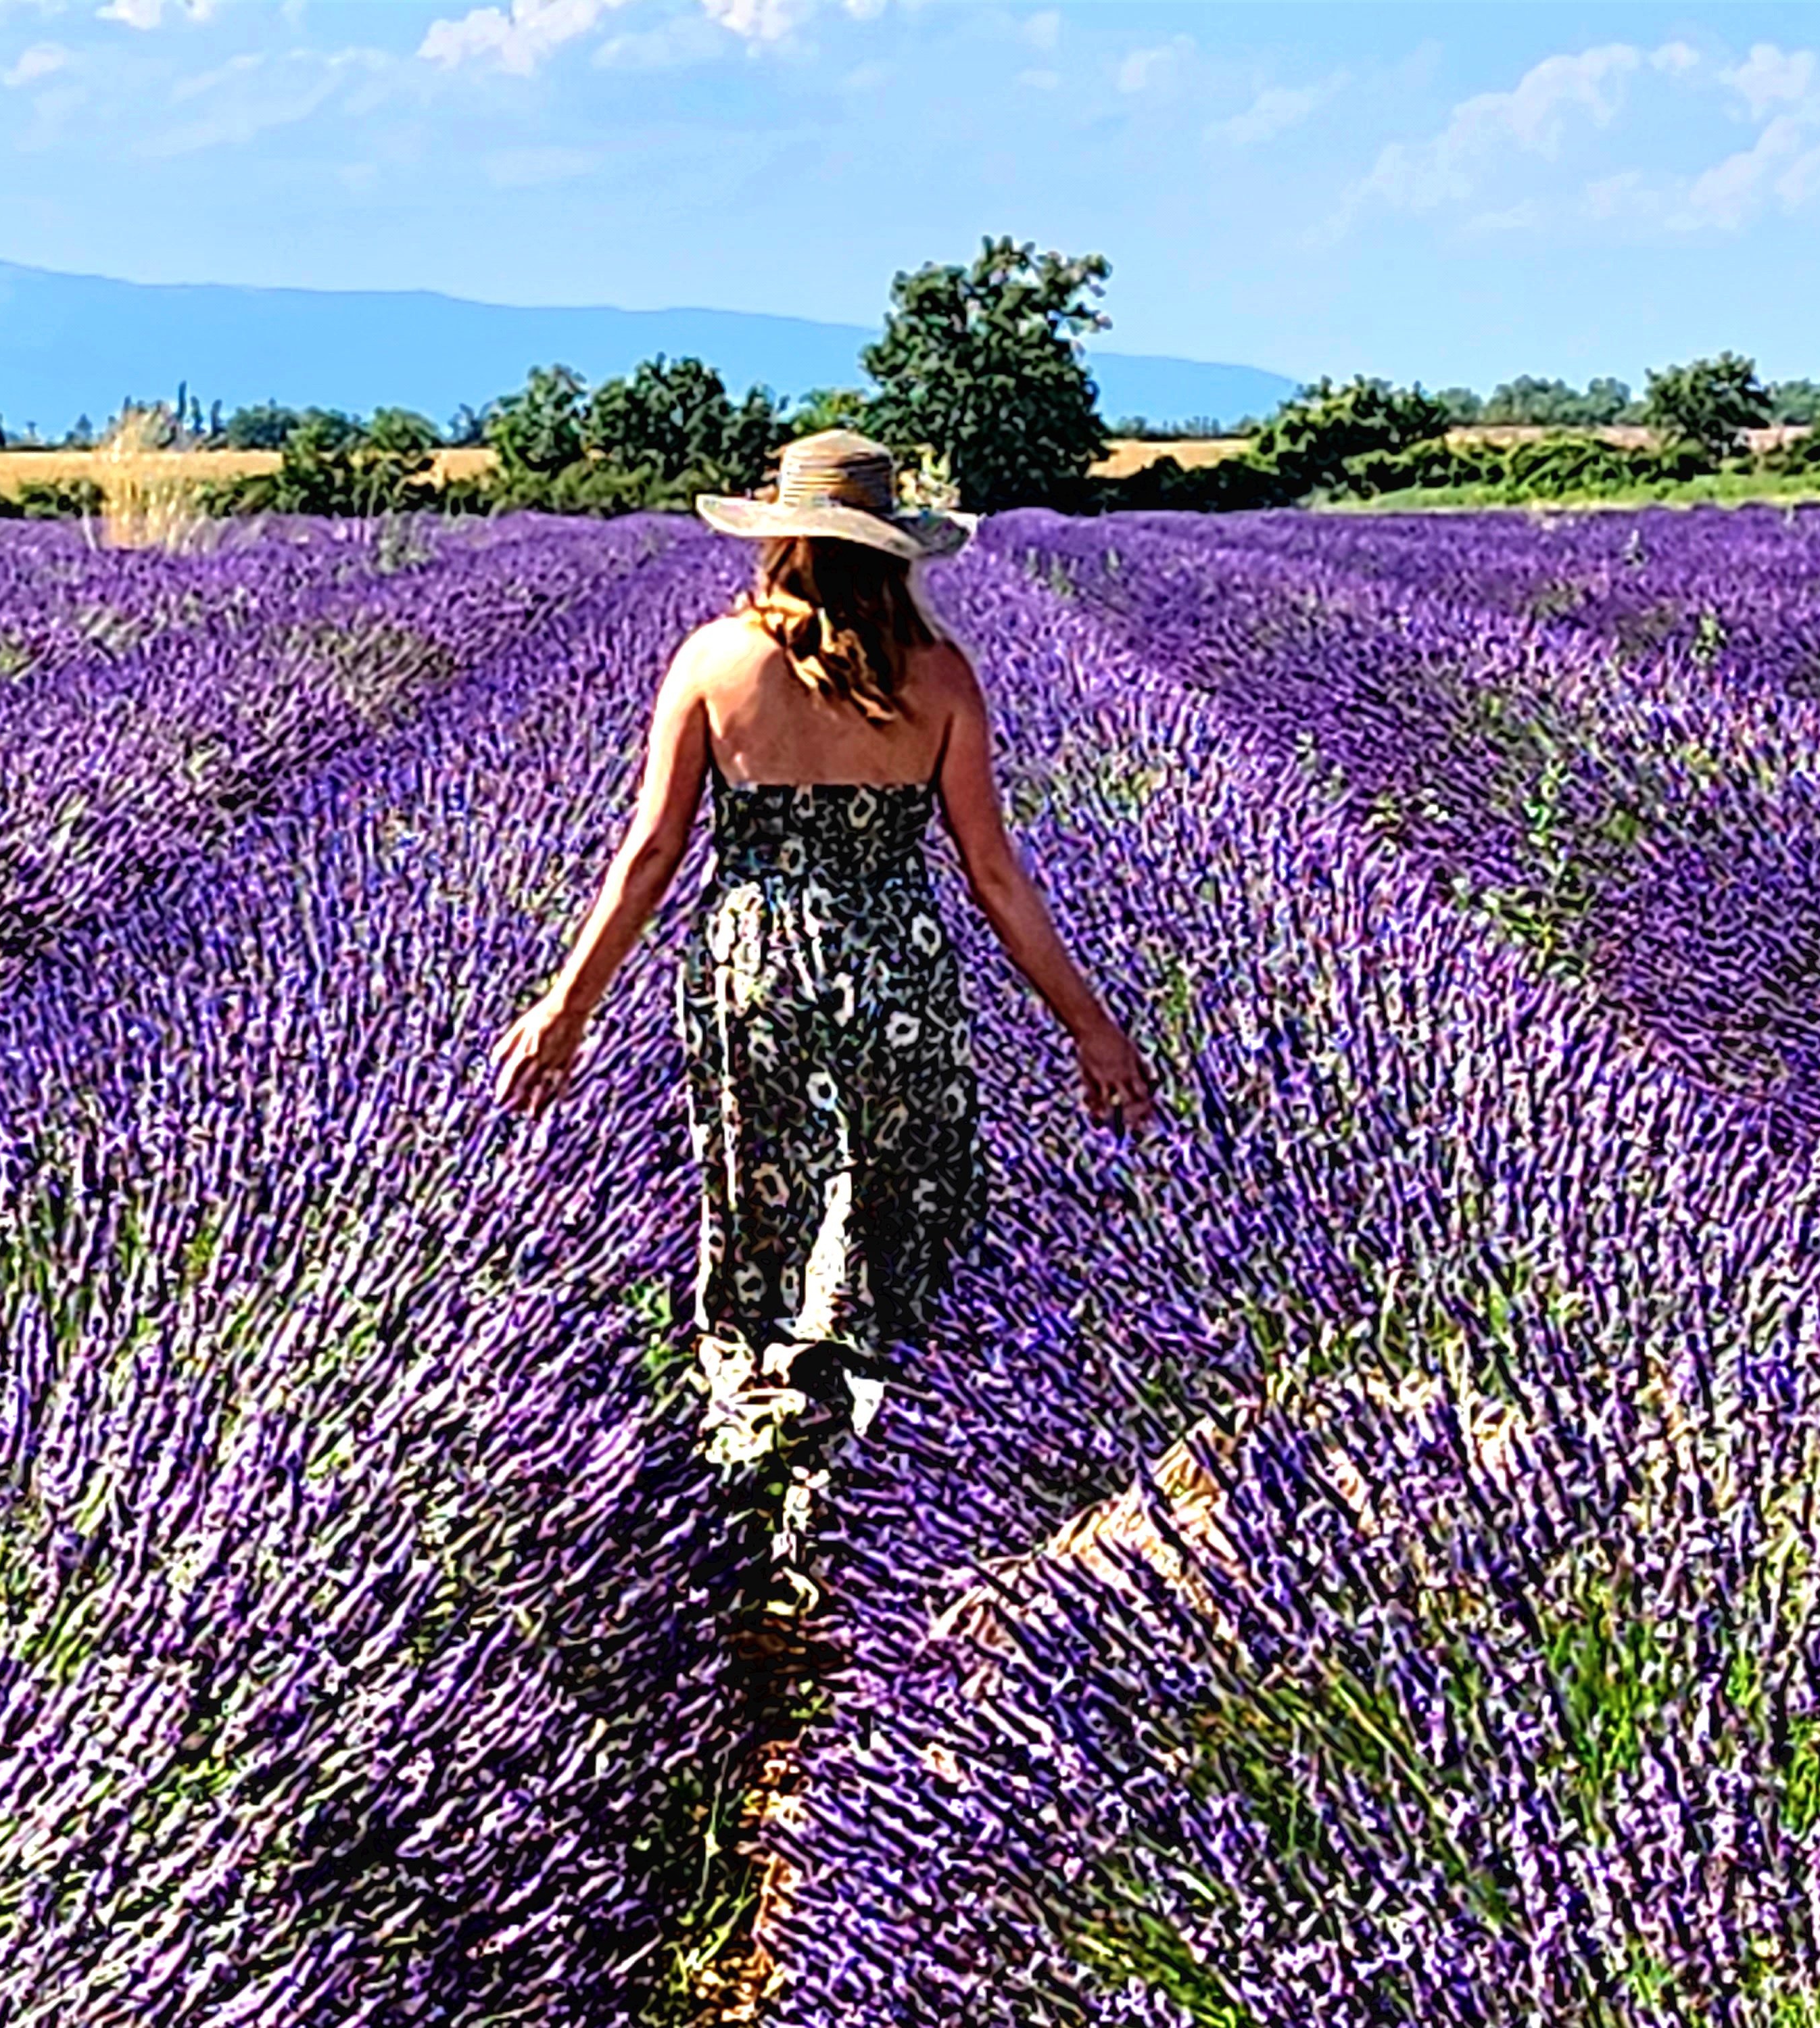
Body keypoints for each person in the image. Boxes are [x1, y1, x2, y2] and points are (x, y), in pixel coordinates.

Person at [487, 427, 1153, 2006]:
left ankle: (759, 1516)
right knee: (894, 1244)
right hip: (901, 994)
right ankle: (883, 1544)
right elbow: (994, 881)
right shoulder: (937, 684)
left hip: (752, 984)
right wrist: (1087, 1025)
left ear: (780, 538)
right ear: (893, 551)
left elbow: (647, 857)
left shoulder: (713, 665)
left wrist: (562, 1012)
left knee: (761, 1239)